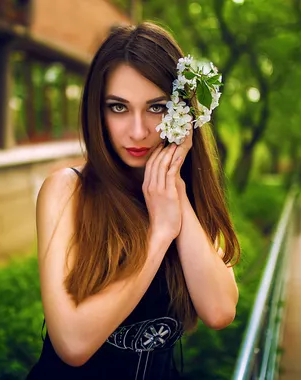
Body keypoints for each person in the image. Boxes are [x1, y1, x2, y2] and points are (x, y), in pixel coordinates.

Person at [26, 21, 240, 380]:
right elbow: (72, 345)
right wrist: (159, 236)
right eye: (119, 107)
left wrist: (176, 194)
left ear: (182, 114)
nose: (138, 131)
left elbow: (219, 311)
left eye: (156, 108)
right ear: (98, 110)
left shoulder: (193, 197)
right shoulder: (66, 191)